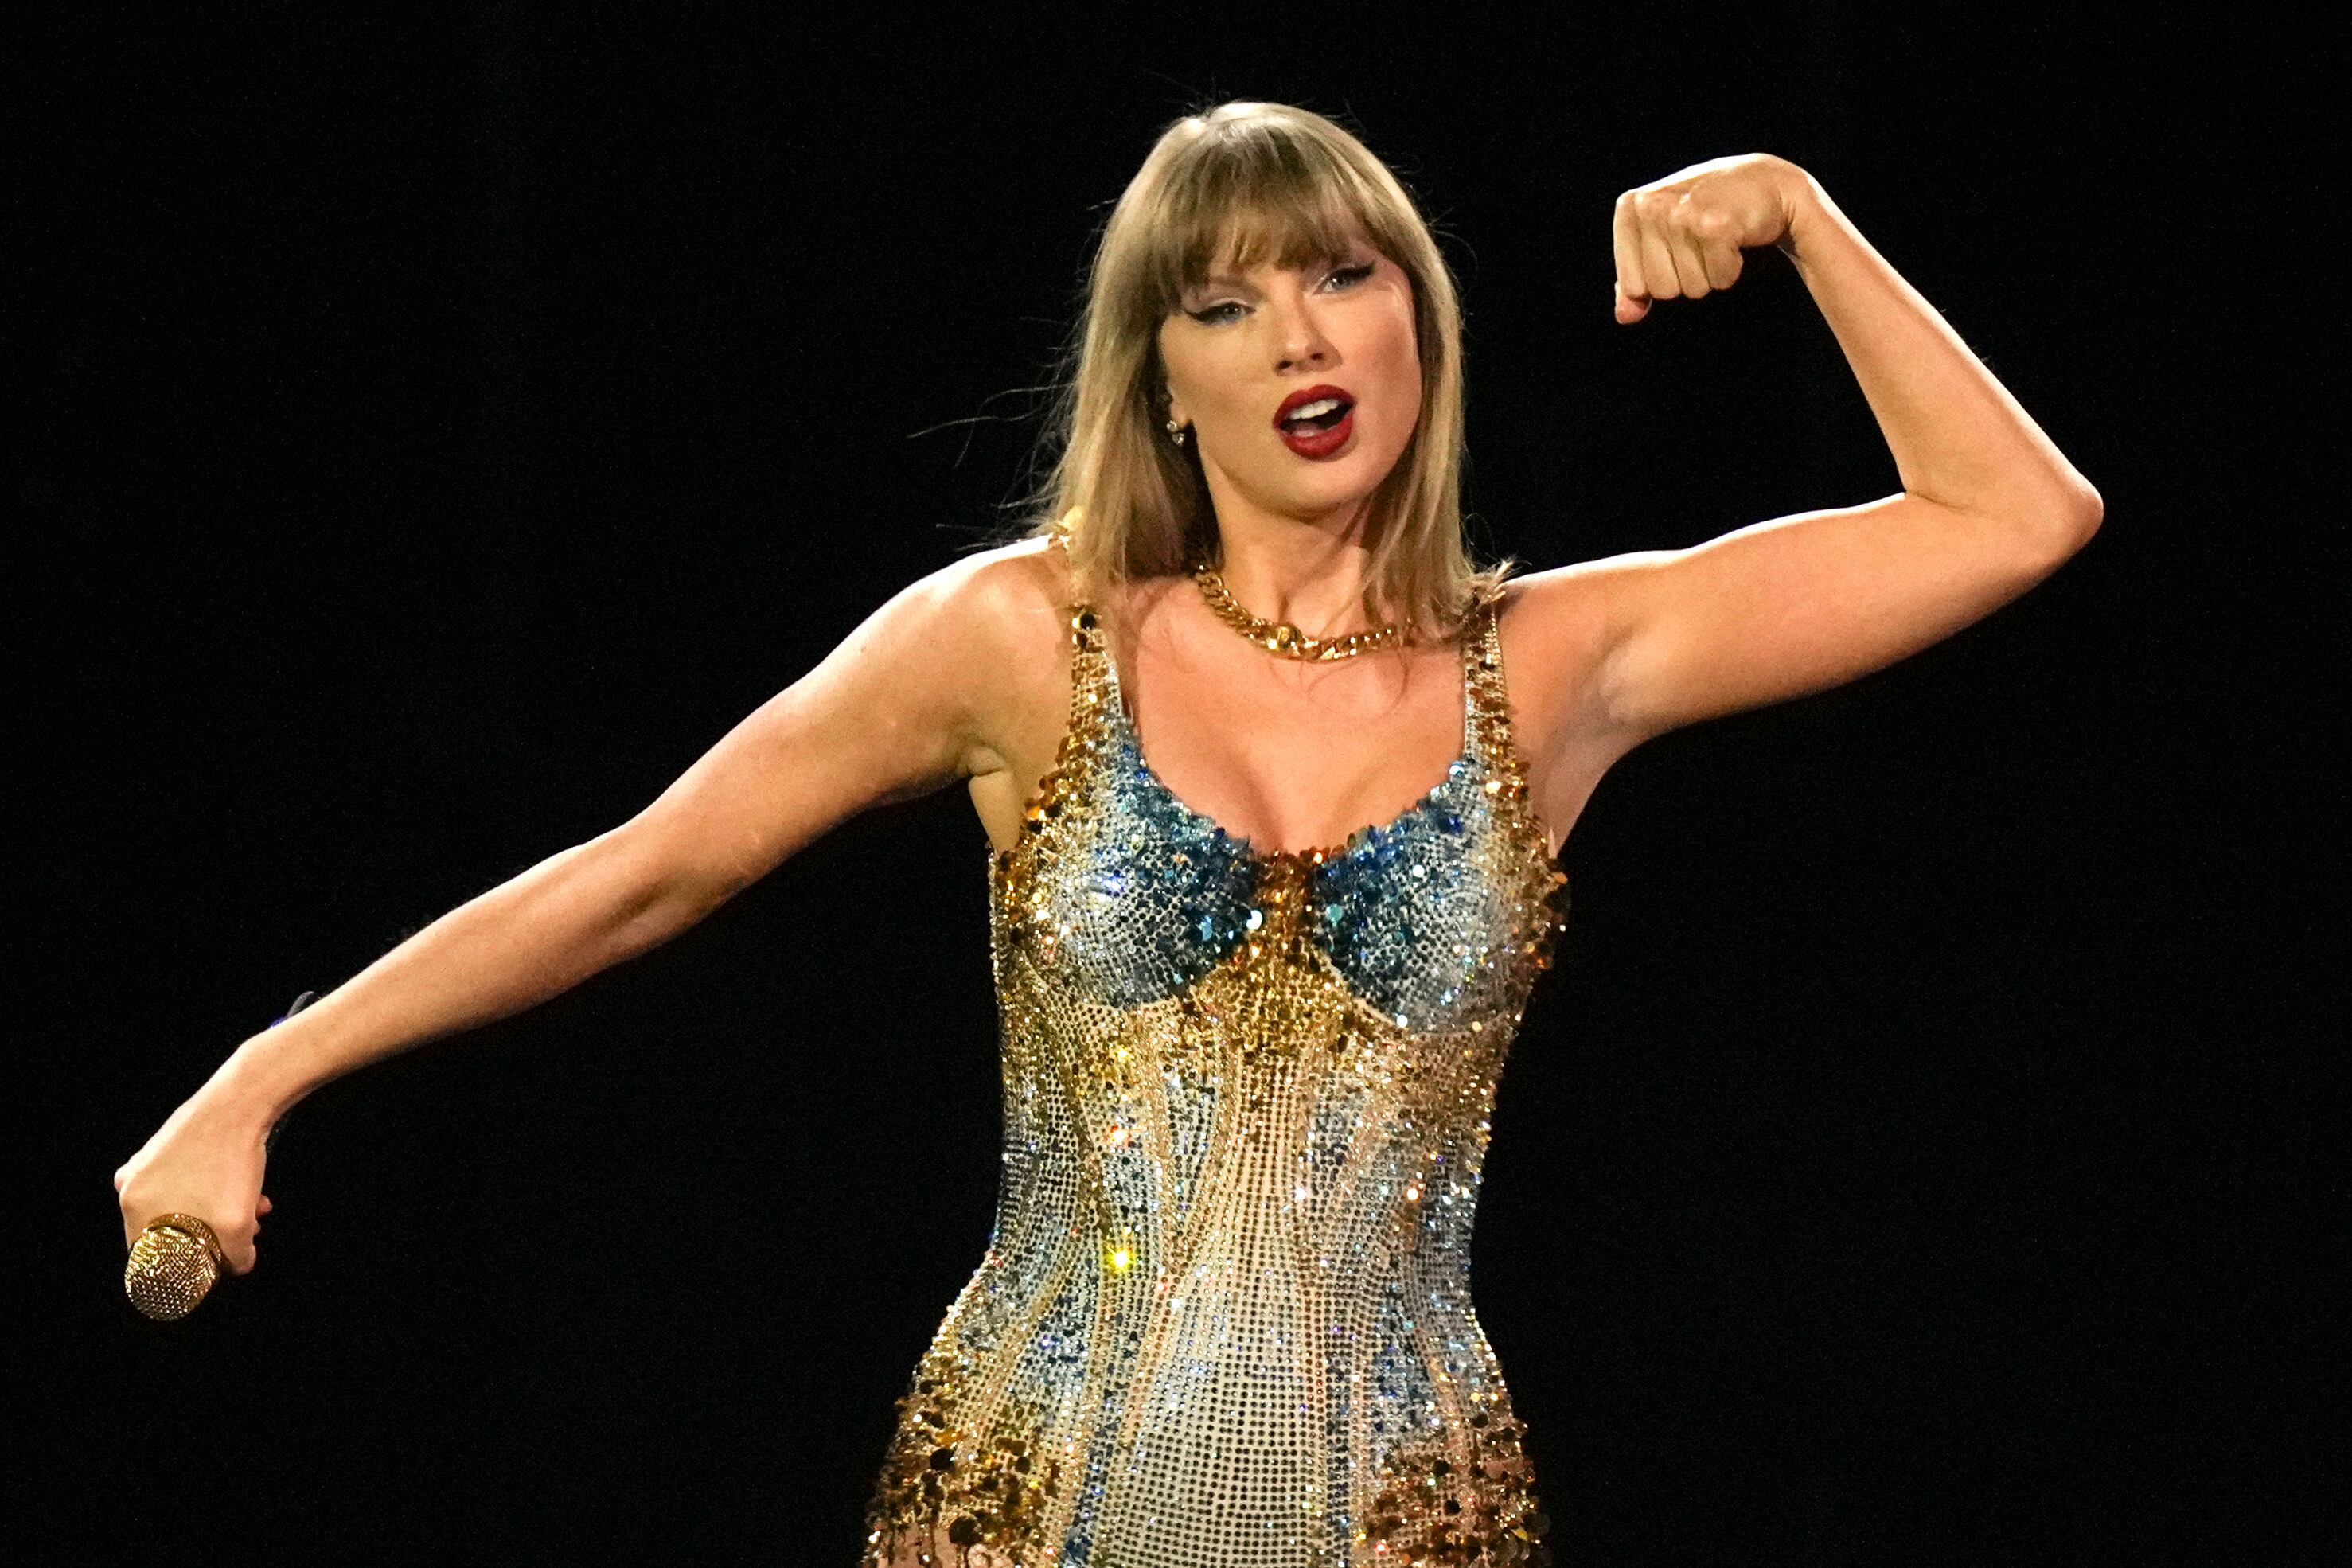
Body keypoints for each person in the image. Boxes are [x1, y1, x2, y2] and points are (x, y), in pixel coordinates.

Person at [114, 101, 2101, 1566]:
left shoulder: (1556, 659)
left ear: (1421, 318)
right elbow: (646, 870)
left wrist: (1799, 212)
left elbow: (2016, 516)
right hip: (1023, 1501)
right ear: (1158, 379)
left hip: (1404, 1521)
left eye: (1343, 276)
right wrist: (258, 1074)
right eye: (1224, 306)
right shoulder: (1018, 639)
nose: (1298, 340)